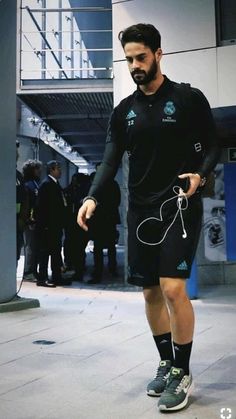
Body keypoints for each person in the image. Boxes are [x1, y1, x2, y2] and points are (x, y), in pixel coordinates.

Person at [77, 23, 220, 412]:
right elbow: (109, 159)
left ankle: (183, 371)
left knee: (173, 287)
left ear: (159, 53)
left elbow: (213, 144)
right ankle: (166, 362)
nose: (135, 66)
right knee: (150, 292)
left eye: (141, 57)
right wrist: (92, 197)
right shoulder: (124, 111)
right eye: (129, 60)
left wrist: (200, 176)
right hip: (140, 211)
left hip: (178, 206)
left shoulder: (188, 99)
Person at [35, 160, 71, 287]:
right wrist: (44, 225)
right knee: (45, 252)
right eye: (58, 168)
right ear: (51, 170)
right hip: (48, 226)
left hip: (55, 226)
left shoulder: (54, 184)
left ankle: (56, 276)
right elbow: (41, 207)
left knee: (55, 252)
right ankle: (42, 278)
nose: (60, 171)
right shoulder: (46, 185)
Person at [88, 168, 121, 284]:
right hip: (108, 219)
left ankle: (99, 272)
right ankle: (111, 269)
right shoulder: (113, 183)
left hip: (100, 220)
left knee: (100, 247)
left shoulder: (98, 184)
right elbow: (117, 200)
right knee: (110, 246)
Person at [64, 172, 90, 281]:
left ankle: (77, 268)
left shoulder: (81, 192)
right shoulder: (69, 191)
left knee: (78, 247)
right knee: (73, 245)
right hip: (72, 222)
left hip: (77, 222)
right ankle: (72, 265)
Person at [22, 159, 42, 281]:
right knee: (30, 246)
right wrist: (29, 220)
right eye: (37, 168)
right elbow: (28, 204)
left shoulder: (36, 183)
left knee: (35, 247)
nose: (39, 171)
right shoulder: (28, 185)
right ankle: (28, 271)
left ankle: (33, 270)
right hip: (30, 222)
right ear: (32, 170)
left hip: (36, 220)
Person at [16, 140, 28, 264]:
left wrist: (22, 218)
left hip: (17, 221)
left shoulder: (18, 176)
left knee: (15, 255)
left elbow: (25, 199)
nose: (17, 154)